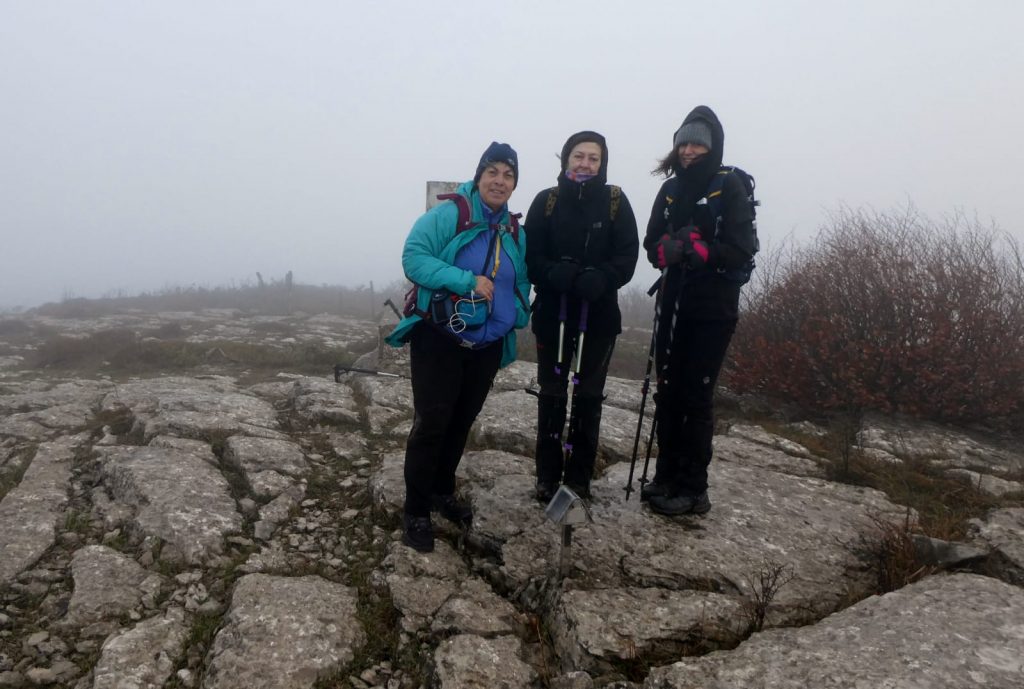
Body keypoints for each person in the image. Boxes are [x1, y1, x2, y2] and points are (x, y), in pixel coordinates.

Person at [386, 142, 531, 552]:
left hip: (487, 344)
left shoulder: (514, 230)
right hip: (440, 336)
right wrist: (466, 282)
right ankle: (416, 510)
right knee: (432, 422)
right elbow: (414, 258)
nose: (500, 181)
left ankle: (441, 490)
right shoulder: (450, 214)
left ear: (514, 183)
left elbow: (521, 278)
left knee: (462, 419)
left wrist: (519, 312)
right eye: (493, 172)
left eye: (508, 175)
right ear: (479, 175)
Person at [641, 106, 757, 516]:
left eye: (698, 144)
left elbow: (743, 249)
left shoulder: (729, 186)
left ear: (713, 147)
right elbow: (651, 243)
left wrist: (703, 252)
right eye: (683, 144)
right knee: (668, 390)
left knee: (695, 395)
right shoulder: (670, 190)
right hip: (672, 303)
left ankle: (694, 489)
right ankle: (666, 477)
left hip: (713, 309)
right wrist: (666, 250)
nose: (689, 151)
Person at [524, 131, 639, 502]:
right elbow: (530, 255)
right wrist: (552, 273)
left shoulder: (616, 202)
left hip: (598, 316)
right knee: (552, 393)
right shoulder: (546, 201)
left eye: (594, 157)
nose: (585, 163)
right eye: (579, 156)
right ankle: (546, 476)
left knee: (588, 396)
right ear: (566, 159)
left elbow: (627, 256)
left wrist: (602, 278)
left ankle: (579, 479)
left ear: (602, 162)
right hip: (552, 314)